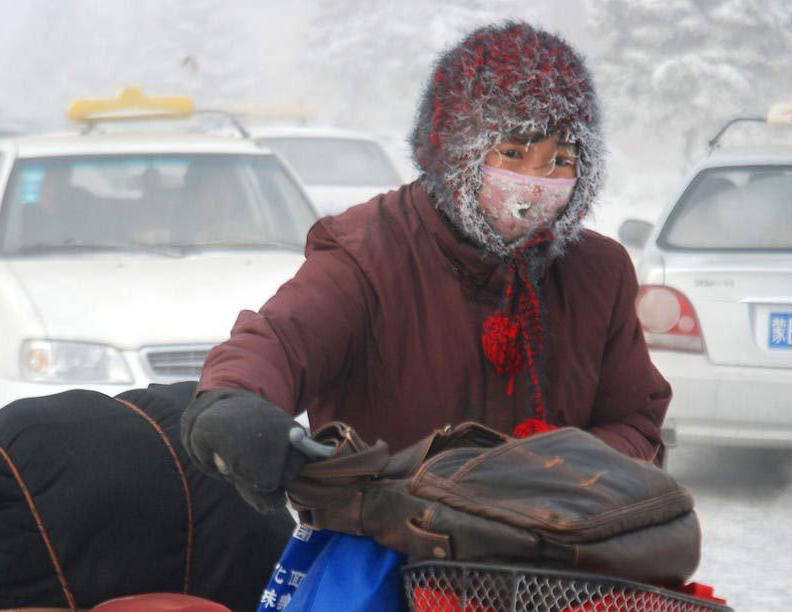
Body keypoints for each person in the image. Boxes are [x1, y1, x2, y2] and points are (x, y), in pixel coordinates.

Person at [180, 21, 671, 517]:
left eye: (561, 159)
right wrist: (232, 403)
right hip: (389, 565)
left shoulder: (598, 273)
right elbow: (279, 342)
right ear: (458, 147)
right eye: (514, 153)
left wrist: (565, 476)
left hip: (552, 574)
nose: (533, 182)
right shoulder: (367, 253)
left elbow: (635, 419)